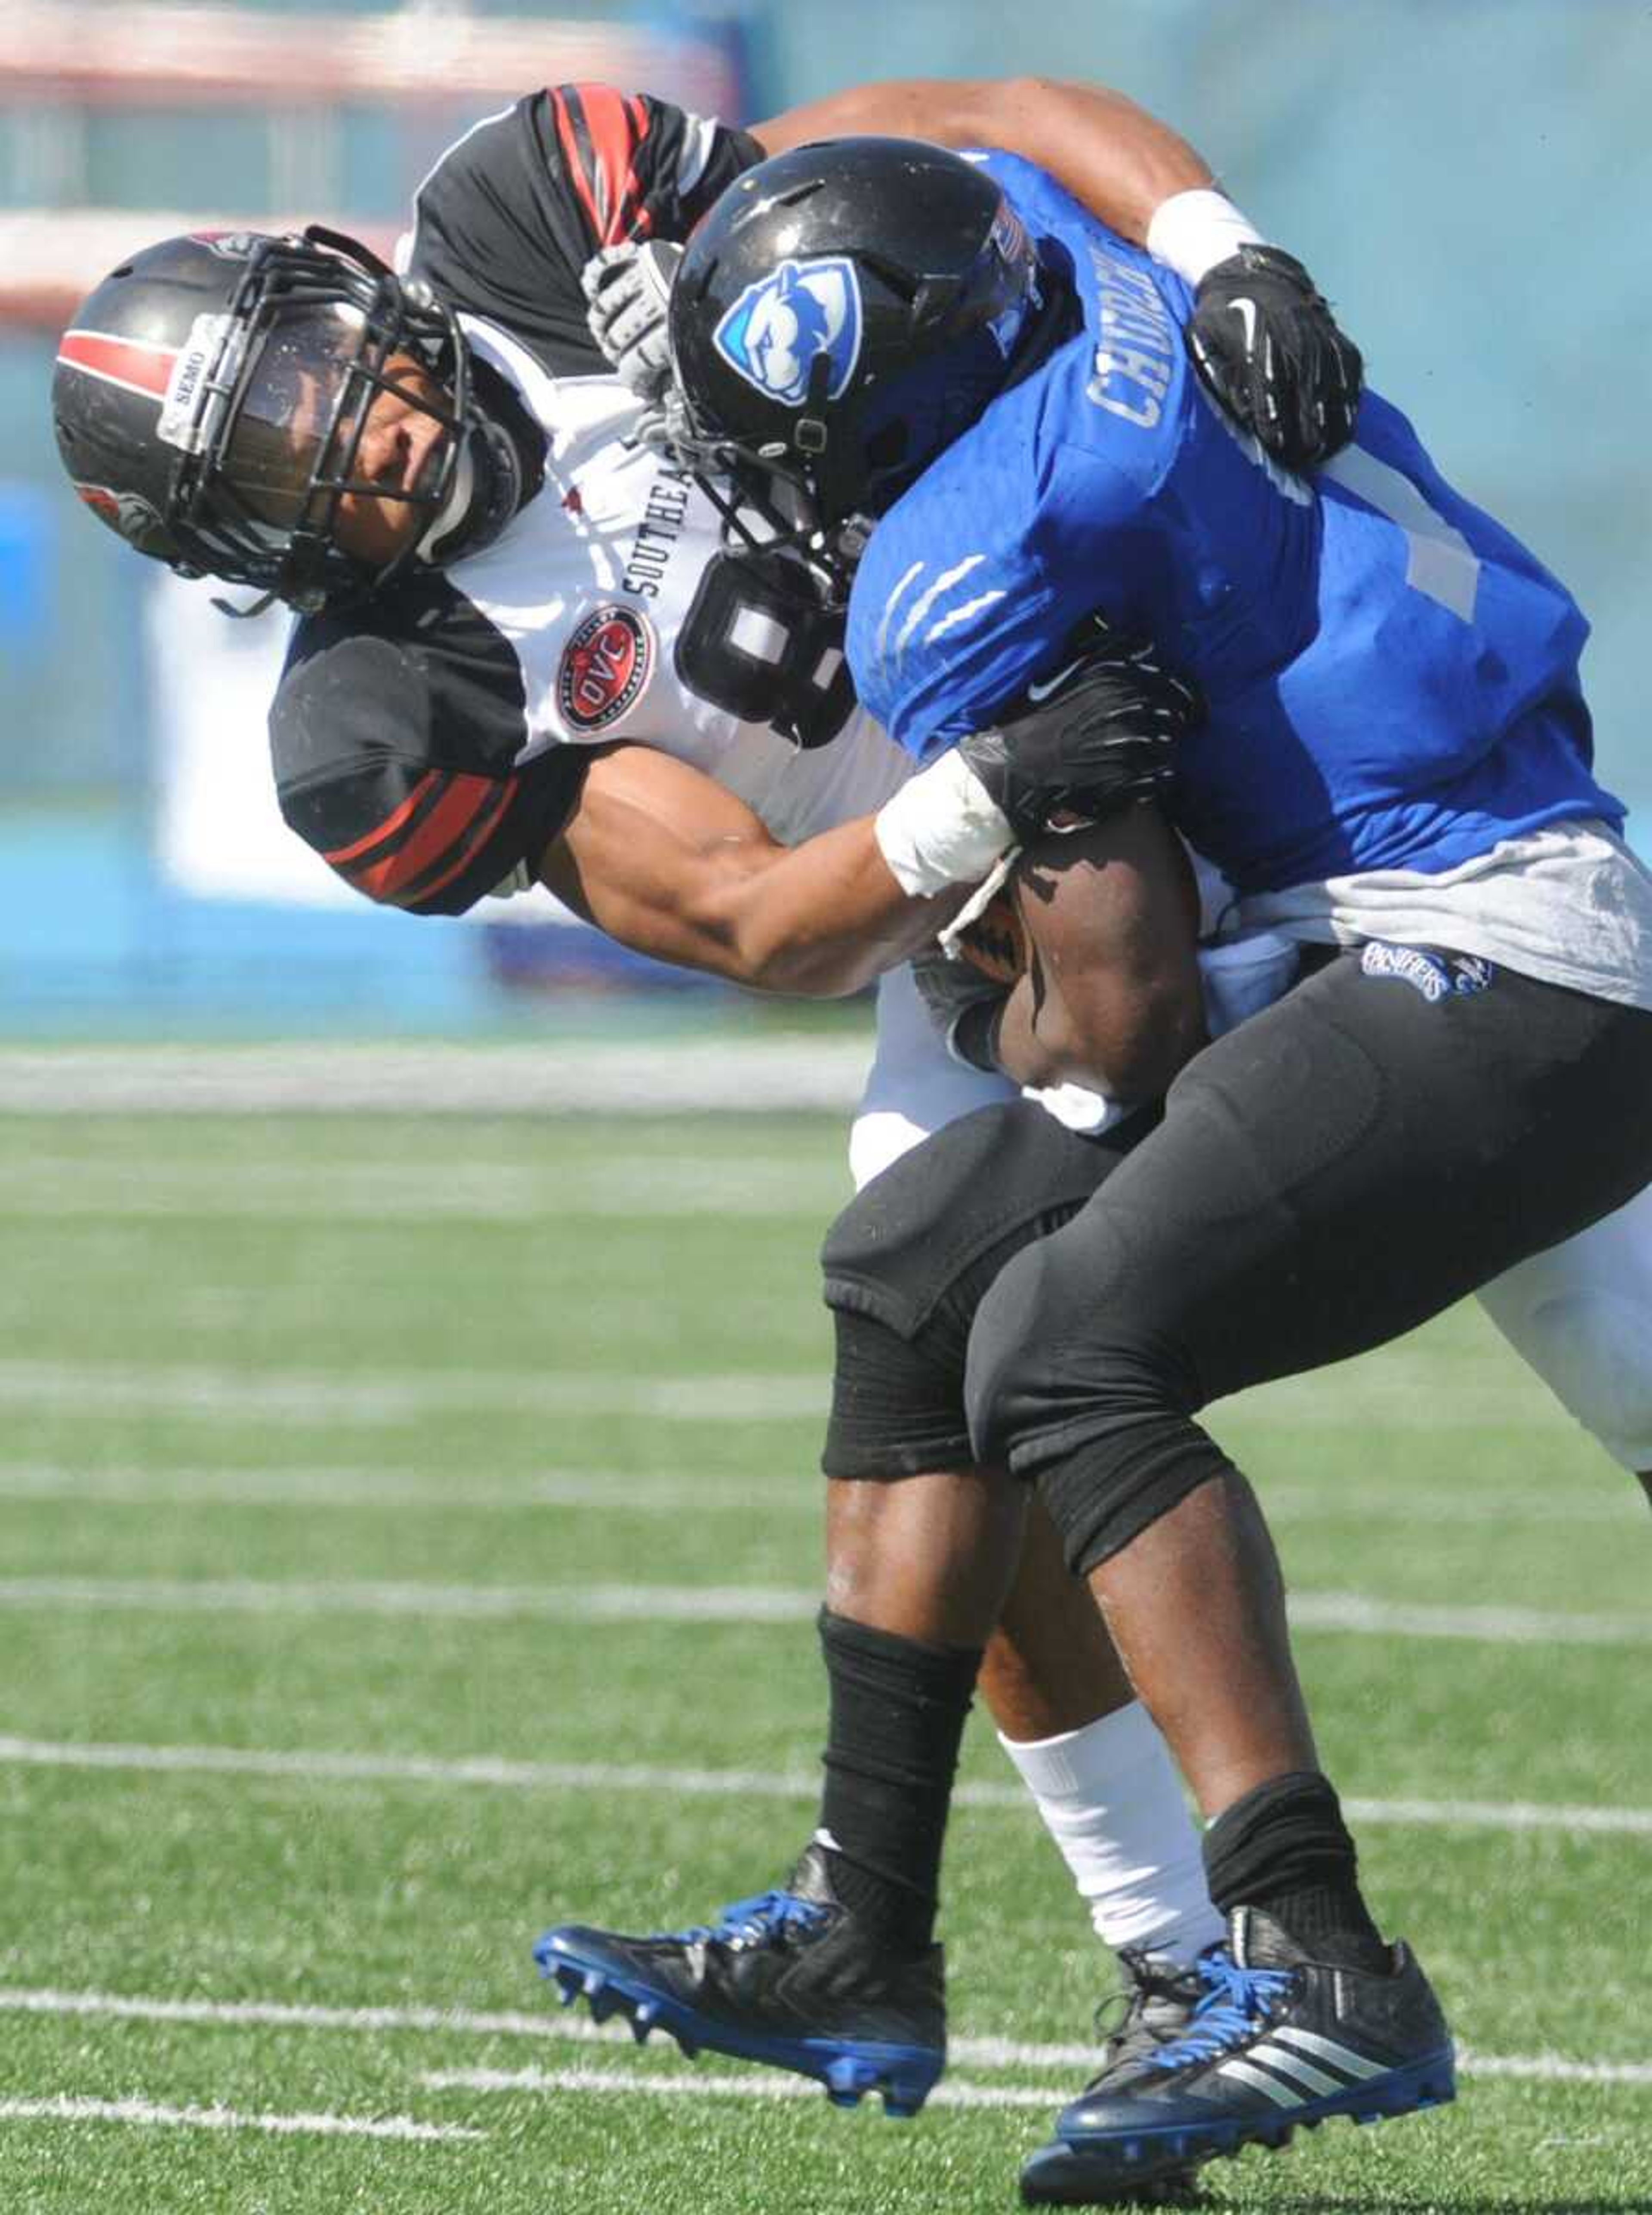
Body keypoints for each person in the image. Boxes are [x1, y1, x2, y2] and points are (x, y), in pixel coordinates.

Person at [51, 80, 1652, 2205]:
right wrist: (985, 795)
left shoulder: (545, 223)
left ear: (360, 292)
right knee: (938, 1325)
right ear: (238, 554)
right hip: (995, 910)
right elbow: (744, 920)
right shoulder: (391, 710)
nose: (357, 441)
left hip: (1296, 834)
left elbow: (977, 135)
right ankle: (1138, 1958)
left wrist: (1205, 238)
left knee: (1098, 1331)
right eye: (277, 462)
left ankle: (1073, 1943)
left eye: (320, 383)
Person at [537, 133, 1652, 2202]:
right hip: (1415, 884)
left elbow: (1120, 1015)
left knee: (1069, 1344)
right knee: (919, 1272)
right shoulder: (1048, 253)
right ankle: (866, 1922)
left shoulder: (960, 554)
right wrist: (1221, 237)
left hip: (1490, 940)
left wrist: (1006, 986)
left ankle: (1311, 1953)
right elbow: (1016, 121)